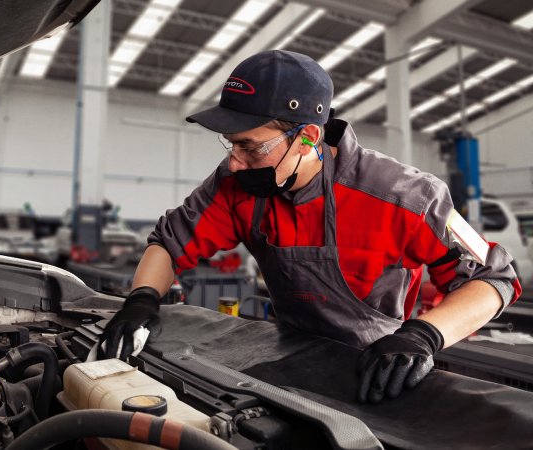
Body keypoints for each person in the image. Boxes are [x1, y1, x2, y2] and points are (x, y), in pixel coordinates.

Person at [96, 50, 521, 403]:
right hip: (286, 355)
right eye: (231, 144)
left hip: (378, 369)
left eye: (249, 146)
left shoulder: (403, 196)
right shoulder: (236, 185)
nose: (233, 161)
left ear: (307, 137)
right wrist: (142, 300)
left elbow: (494, 278)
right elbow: (170, 244)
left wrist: (423, 337)